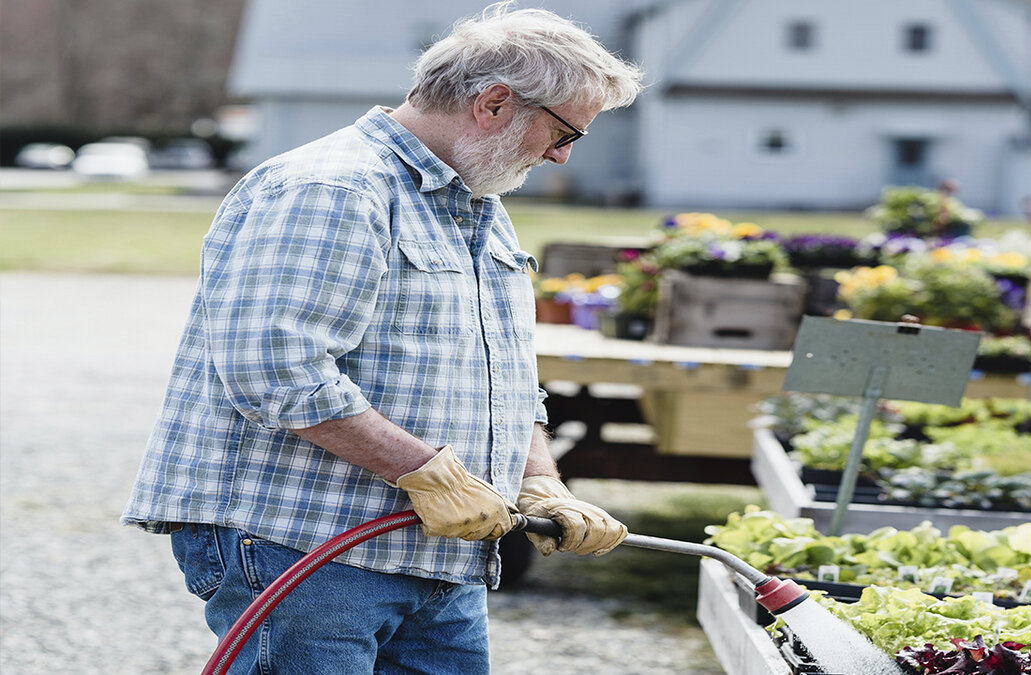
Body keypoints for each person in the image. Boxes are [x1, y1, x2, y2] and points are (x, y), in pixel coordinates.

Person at [121, 3, 644, 672]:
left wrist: (540, 481)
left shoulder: (477, 205)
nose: (563, 153)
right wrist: (422, 472)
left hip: (437, 551)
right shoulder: (332, 188)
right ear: (491, 104)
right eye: (565, 130)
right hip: (307, 542)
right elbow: (276, 370)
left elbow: (503, 374)